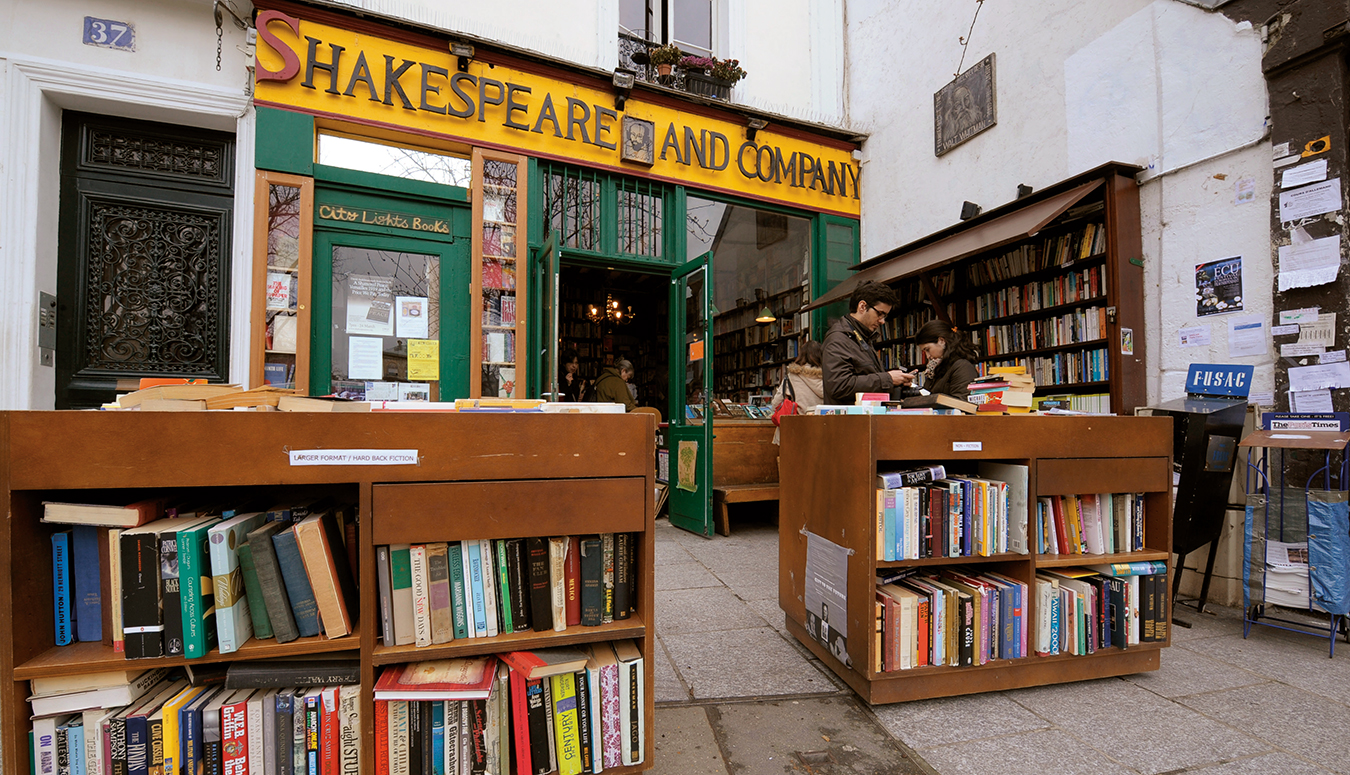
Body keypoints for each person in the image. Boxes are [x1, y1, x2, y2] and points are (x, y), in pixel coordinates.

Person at [821, 280, 915, 405]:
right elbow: (838, 386)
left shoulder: (861, 337)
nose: (882, 321)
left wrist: (898, 383)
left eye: (885, 316)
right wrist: (888, 379)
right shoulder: (838, 339)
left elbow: (868, 385)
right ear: (862, 306)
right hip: (851, 421)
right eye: (880, 314)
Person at [769, 340, 824, 444]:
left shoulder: (791, 378)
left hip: (795, 430)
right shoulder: (830, 378)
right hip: (821, 429)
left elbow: (775, 403)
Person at [913, 319, 980, 401]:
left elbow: (962, 403)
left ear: (941, 341)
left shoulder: (963, 367)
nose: (927, 356)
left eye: (927, 349)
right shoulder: (935, 369)